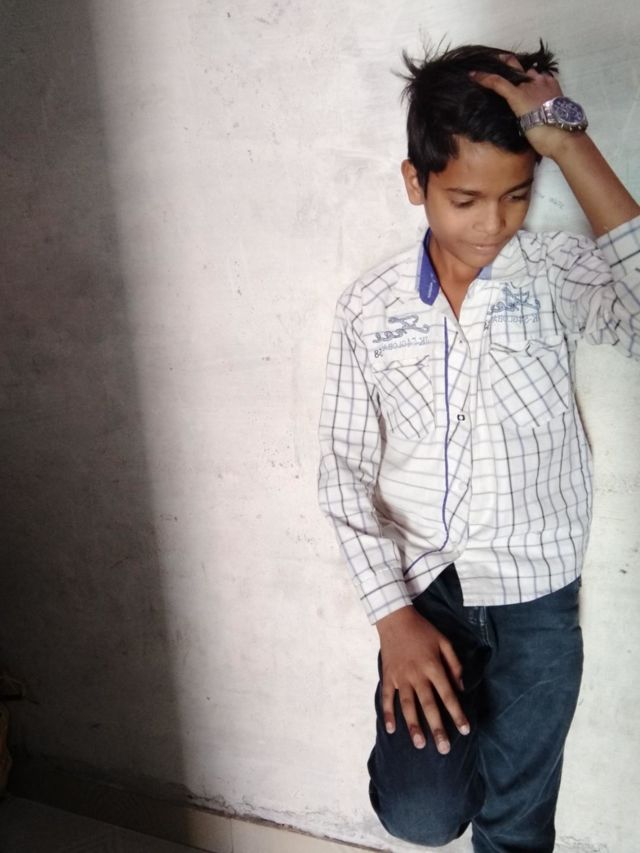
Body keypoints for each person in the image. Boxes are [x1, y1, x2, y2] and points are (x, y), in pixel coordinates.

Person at [318, 41, 640, 852]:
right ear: (416, 182)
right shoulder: (369, 309)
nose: (492, 223)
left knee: (518, 818)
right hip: (425, 589)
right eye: (464, 198)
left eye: (516, 195)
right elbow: (343, 468)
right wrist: (392, 618)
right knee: (421, 815)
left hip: (537, 594)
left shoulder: (553, 273)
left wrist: (566, 140)